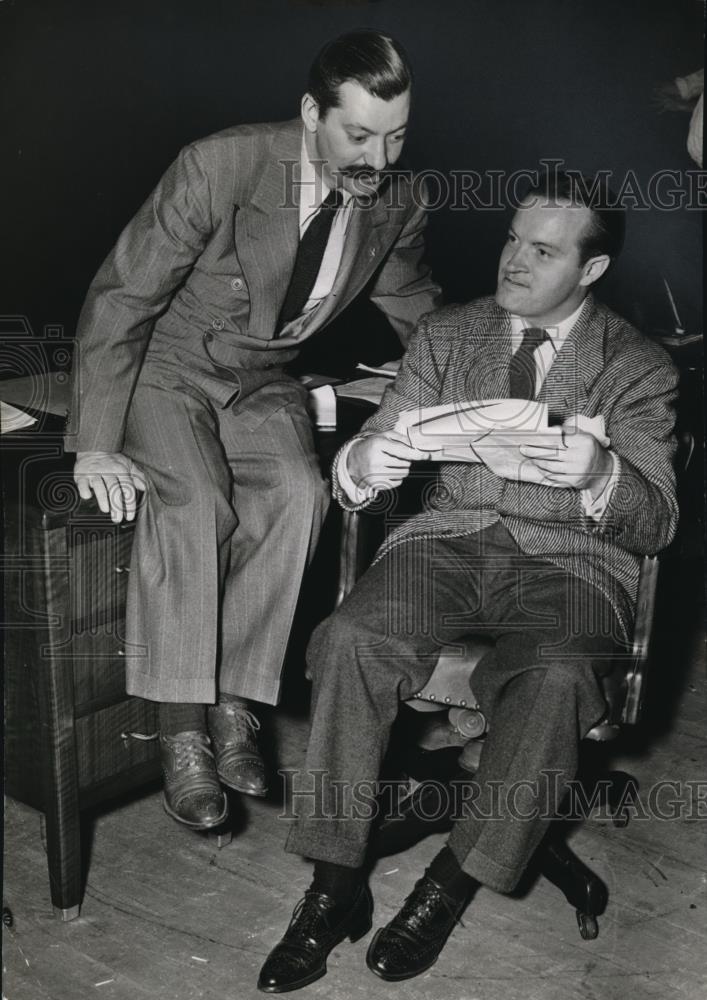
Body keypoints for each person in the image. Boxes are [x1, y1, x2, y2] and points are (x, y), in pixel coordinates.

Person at [258, 172, 679, 992]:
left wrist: (601, 473)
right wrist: (363, 463)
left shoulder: (637, 365)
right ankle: (333, 885)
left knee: (554, 675)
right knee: (350, 638)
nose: (514, 261)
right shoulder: (448, 334)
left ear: (591, 269)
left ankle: (448, 885)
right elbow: (371, 453)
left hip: (571, 562)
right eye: (512, 239)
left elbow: (656, 519)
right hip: (448, 543)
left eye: (543, 251)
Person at [66, 31, 441, 831]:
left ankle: (235, 702)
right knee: (193, 499)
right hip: (168, 366)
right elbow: (122, 297)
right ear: (311, 113)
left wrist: (491, 384)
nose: (378, 159)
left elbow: (415, 306)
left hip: (264, 379)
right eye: (359, 134)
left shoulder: (399, 200)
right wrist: (95, 442)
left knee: (300, 494)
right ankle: (180, 730)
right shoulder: (221, 166)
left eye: (397, 137)